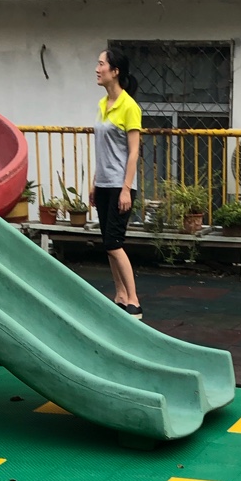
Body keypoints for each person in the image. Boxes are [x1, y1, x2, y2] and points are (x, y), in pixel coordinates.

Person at [92, 46, 142, 318]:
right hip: (103, 184)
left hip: (120, 186)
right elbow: (102, 149)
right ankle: (120, 295)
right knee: (108, 244)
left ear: (115, 71)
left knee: (114, 242)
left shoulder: (129, 107)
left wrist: (126, 189)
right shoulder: (103, 105)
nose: (97, 69)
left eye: (101, 64)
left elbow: (133, 152)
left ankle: (134, 300)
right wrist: (94, 181)